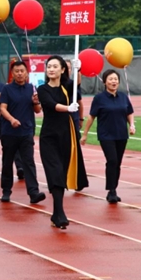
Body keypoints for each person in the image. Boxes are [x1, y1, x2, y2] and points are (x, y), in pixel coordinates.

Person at [37, 55, 89, 229]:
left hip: (67, 135)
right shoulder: (42, 89)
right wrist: (68, 108)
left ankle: (56, 213)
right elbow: (51, 105)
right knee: (55, 172)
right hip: (49, 137)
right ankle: (60, 213)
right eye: (49, 66)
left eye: (55, 66)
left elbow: (77, 84)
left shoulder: (67, 86)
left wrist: (78, 68)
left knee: (62, 172)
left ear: (62, 70)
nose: (51, 69)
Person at [81, 69, 135, 204]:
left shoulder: (123, 97)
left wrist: (132, 125)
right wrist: (85, 134)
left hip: (121, 134)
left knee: (117, 163)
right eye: (110, 79)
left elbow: (129, 112)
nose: (113, 82)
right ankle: (111, 190)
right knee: (112, 160)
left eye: (116, 79)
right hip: (106, 135)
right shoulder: (99, 98)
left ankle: (113, 188)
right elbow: (91, 116)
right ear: (105, 82)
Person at [0, 61, 46, 204]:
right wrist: (12, 120)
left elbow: (37, 110)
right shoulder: (7, 89)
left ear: (26, 73)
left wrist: (36, 102)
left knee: (29, 162)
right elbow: (2, 108)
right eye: (17, 71)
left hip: (26, 131)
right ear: (12, 73)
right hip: (9, 132)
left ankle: (33, 192)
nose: (19, 73)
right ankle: (6, 191)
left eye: (22, 71)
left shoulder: (31, 88)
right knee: (7, 162)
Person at [65, 59, 85, 131]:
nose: (67, 70)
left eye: (69, 68)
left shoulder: (74, 84)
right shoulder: (56, 85)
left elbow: (80, 102)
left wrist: (81, 118)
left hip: (74, 118)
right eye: (65, 67)